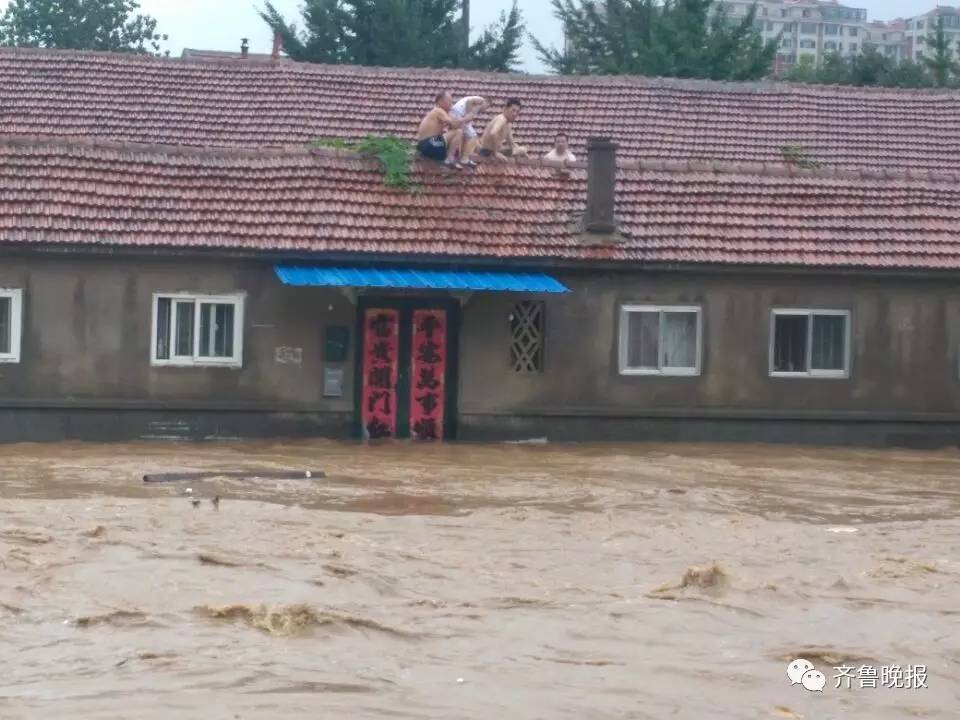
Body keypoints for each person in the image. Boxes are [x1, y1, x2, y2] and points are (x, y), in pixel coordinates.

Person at [416, 90, 477, 168]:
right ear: (441, 101)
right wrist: (466, 118)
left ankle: (455, 156)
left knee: (454, 134)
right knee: (458, 132)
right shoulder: (438, 111)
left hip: (425, 145)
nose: (451, 104)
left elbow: (452, 126)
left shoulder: (437, 113)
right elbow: (454, 125)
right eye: (449, 101)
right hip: (429, 144)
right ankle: (449, 159)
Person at [478, 98, 527, 162]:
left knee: (522, 150)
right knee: (521, 150)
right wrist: (496, 153)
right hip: (486, 152)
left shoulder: (508, 125)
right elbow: (493, 133)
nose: (515, 114)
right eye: (513, 110)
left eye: (517, 112)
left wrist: (523, 153)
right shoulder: (502, 119)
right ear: (506, 109)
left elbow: (512, 144)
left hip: (494, 151)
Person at [449, 95, 488, 164]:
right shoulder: (481, 100)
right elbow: (469, 101)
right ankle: (465, 158)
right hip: (459, 113)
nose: (485, 110)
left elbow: (468, 119)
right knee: (473, 136)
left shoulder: (476, 107)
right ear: (487, 103)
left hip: (455, 113)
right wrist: (468, 113)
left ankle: (462, 156)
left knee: (465, 135)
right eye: (487, 107)